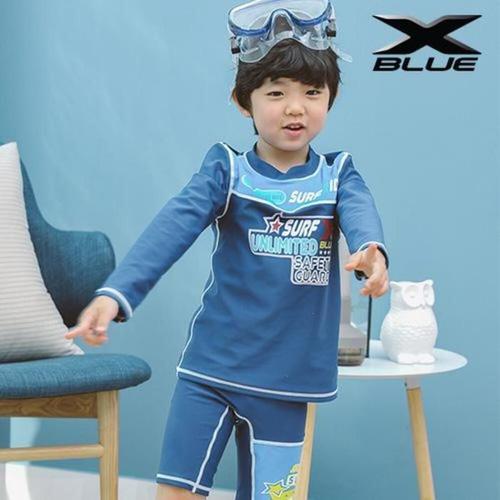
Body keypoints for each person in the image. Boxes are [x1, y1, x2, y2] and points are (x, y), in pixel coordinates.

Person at [65, 1, 389, 498]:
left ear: (332, 96)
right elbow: (171, 228)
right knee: (176, 493)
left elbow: (361, 210)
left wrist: (371, 250)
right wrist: (115, 294)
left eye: (312, 92)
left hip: (287, 385)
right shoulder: (227, 170)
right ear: (243, 101)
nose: (296, 107)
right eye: (276, 93)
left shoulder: (337, 174)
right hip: (211, 371)